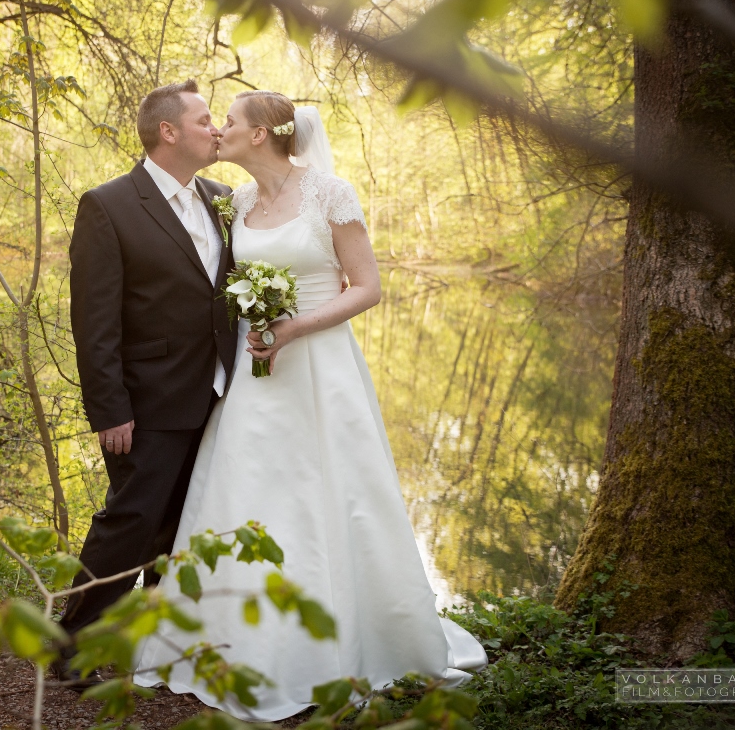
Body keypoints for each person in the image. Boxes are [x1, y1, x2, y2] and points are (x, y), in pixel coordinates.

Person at [132, 91, 489, 720]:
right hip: (254, 374)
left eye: (230, 123)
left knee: (333, 493)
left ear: (263, 133)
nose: (218, 131)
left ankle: (347, 639)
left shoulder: (331, 193)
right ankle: (232, 640)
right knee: (247, 491)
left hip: (321, 370)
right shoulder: (235, 201)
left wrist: (297, 327)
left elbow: (369, 288)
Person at [56, 79, 237, 687]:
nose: (216, 129)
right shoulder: (107, 205)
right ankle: (72, 651)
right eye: (205, 119)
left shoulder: (221, 196)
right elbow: (95, 321)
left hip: (220, 395)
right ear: (169, 131)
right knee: (128, 526)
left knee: (184, 527)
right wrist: (109, 409)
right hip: (149, 400)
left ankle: (154, 649)